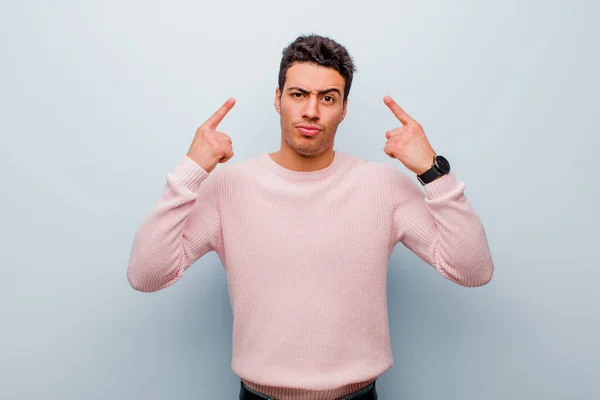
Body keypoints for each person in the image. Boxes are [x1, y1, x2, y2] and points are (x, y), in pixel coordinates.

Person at [126, 34, 494, 400]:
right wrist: (192, 169)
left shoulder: (382, 185)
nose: (311, 111)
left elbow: (473, 270)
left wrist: (433, 171)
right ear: (278, 99)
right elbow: (145, 275)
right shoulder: (229, 187)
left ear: (344, 109)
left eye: (328, 98)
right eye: (298, 94)